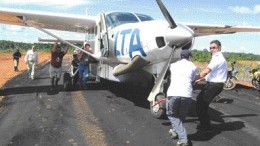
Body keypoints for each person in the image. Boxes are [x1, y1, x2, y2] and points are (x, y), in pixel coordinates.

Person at [166, 50, 197, 146]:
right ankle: (175, 132)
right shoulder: (193, 66)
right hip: (187, 95)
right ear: (190, 56)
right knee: (181, 116)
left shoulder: (173, 65)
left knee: (172, 115)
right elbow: (193, 80)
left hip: (174, 93)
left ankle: (183, 140)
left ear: (181, 56)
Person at [195, 40, 227, 131]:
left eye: (214, 47)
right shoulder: (218, 58)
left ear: (219, 48)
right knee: (200, 102)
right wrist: (200, 79)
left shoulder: (217, 58)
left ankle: (206, 126)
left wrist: (194, 78)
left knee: (201, 104)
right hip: (213, 84)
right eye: (210, 48)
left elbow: (206, 71)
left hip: (214, 85)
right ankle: (205, 124)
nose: (211, 49)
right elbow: (212, 74)